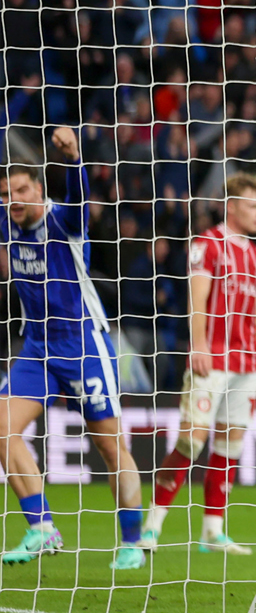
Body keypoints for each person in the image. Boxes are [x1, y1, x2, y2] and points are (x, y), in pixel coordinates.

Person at [0, 128, 148, 569]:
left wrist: (75, 157)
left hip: (84, 345)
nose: (15, 199)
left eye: (22, 189)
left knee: (109, 448)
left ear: (39, 189)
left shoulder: (64, 220)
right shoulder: (6, 221)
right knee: (3, 429)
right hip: (37, 347)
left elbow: (81, 198)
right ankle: (42, 527)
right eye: (7, 193)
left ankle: (132, 541)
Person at [141, 172, 256, 554]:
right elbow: (197, 300)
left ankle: (213, 530)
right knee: (191, 442)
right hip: (213, 357)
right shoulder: (207, 245)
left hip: (246, 363)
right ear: (232, 206)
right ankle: (152, 526)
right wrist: (199, 345)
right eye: (252, 205)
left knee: (230, 446)